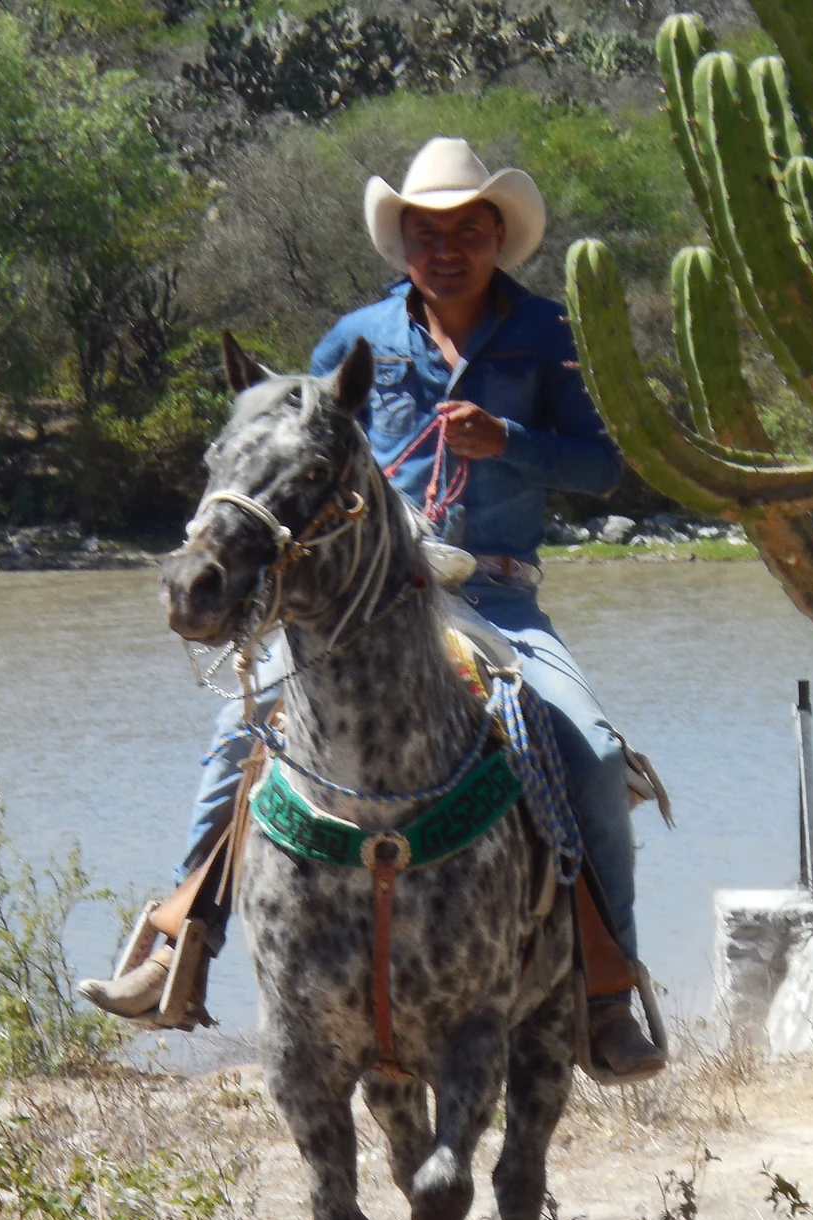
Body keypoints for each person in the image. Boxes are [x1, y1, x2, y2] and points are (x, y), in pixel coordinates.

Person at [77, 136, 667, 1079]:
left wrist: (507, 440)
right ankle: (182, 939)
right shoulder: (354, 342)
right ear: (403, 243)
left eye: (466, 231)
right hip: (364, 599)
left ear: (497, 237)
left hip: (497, 593)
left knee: (588, 750)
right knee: (243, 727)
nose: (445, 248)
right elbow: (301, 456)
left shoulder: (550, 336)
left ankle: (605, 984)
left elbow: (601, 465)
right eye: (427, 233)